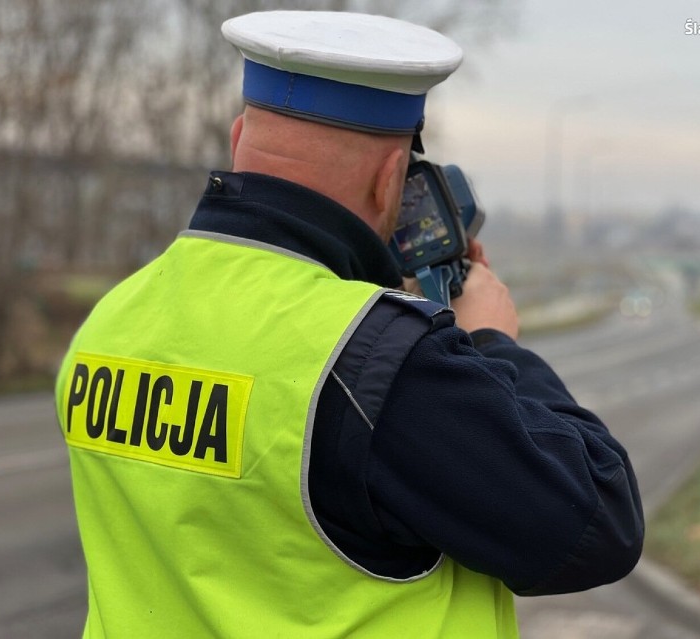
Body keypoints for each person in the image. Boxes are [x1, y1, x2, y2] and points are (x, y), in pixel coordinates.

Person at [55, 10, 643, 638]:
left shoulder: (112, 320)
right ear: (391, 177)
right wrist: (494, 345)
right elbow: (597, 521)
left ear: (237, 140)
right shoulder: (376, 360)